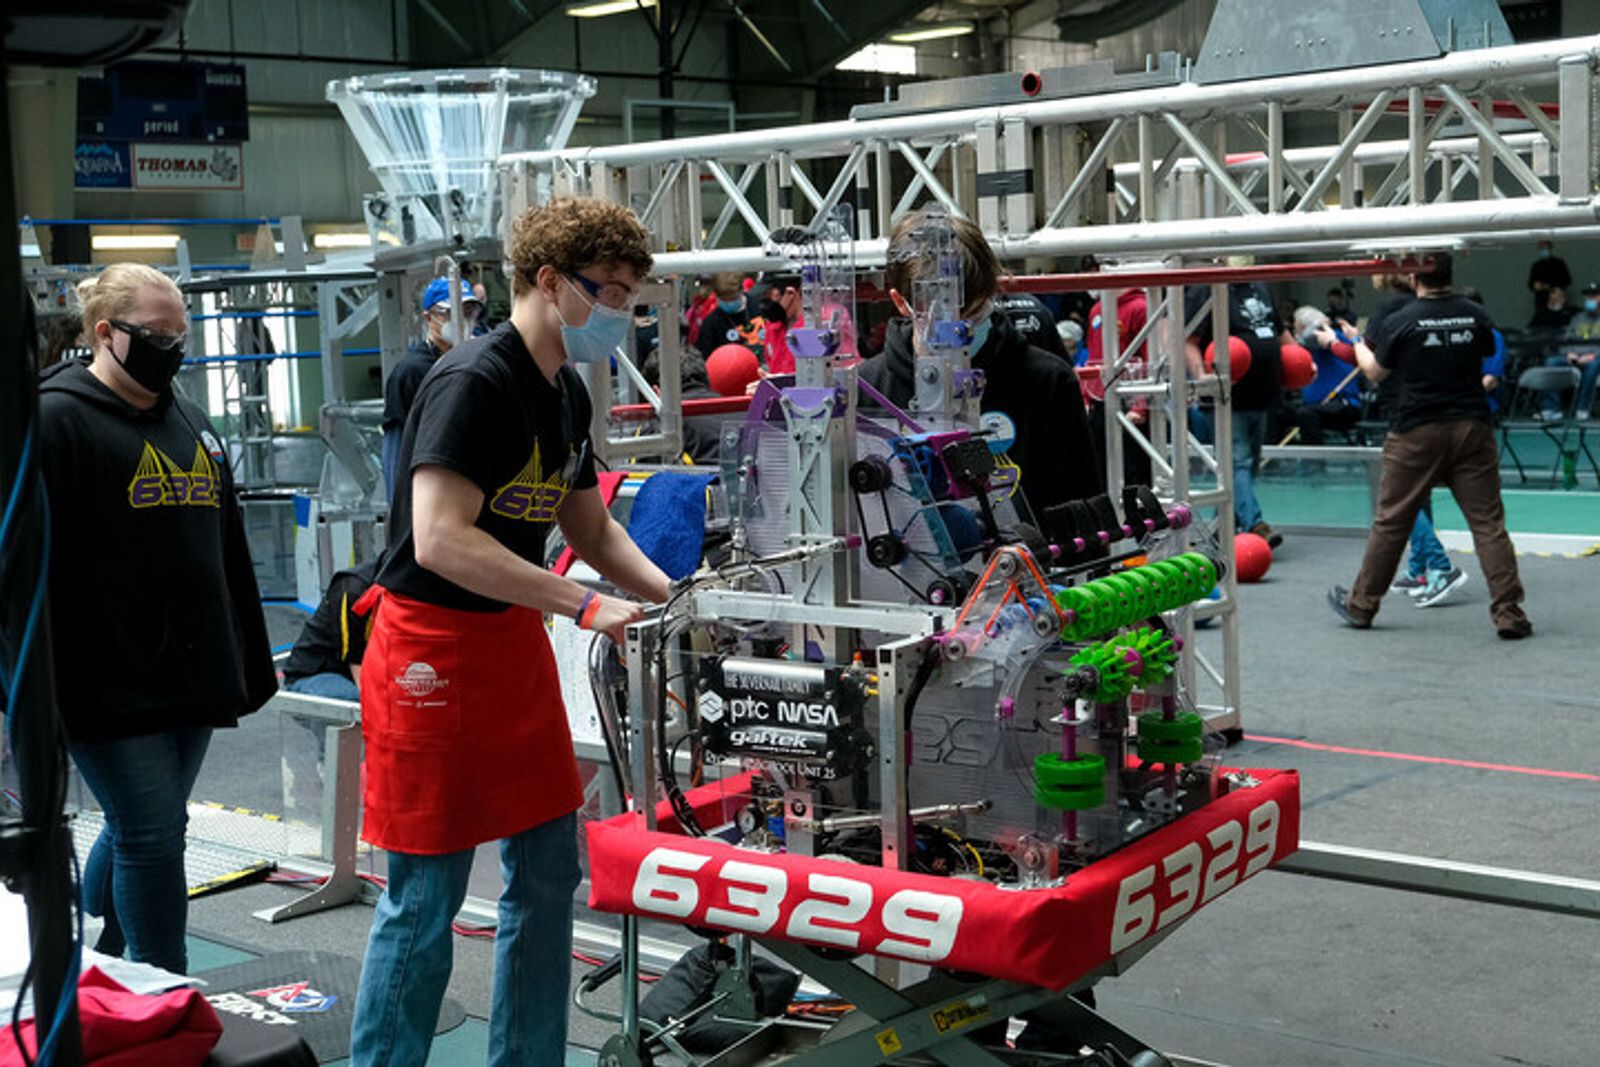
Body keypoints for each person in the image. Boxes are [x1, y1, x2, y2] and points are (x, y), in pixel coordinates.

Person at [349, 197, 673, 1067]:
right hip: (431, 648)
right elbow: (441, 539)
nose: (621, 312)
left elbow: (591, 527)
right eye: (610, 291)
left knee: (547, 869)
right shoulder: (473, 381)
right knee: (427, 892)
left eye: (630, 295)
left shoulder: (565, 391)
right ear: (550, 280)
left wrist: (677, 596)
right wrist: (583, 605)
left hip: (509, 645)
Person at [37, 263, 276, 973]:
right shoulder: (55, 420)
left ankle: (100, 961)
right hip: (107, 676)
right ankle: (165, 983)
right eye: (156, 334)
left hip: (190, 668)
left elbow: (224, 544)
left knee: (147, 822)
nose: (172, 348)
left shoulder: (189, 419)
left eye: (181, 335)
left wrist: (241, 652)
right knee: (150, 831)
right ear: (105, 333)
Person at [1328, 253, 1532, 639]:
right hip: (1471, 425)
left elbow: (1374, 372)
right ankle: (1510, 613)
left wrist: (1356, 342)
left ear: (1413, 275)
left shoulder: (1401, 319)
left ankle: (1362, 605)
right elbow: (1484, 353)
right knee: (1488, 524)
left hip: (1416, 430)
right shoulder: (1475, 314)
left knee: (1392, 521)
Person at [858, 208, 1104, 521]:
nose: (959, 335)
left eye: (973, 315)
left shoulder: (1048, 381)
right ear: (900, 303)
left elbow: (1083, 512)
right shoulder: (867, 391)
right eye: (942, 322)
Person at [1184, 267, 1291, 548]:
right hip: (1227, 397)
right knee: (1237, 464)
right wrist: (1201, 377)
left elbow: (1280, 332)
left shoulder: (1260, 286)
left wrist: (1301, 361)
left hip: (1262, 392)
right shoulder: (1206, 288)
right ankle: (1255, 523)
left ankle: (1221, 527)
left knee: (1247, 466)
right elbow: (1188, 339)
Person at [380, 276, 482, 497]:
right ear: (428, 317)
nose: (460, 320)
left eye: (468, 312)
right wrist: (401, 507)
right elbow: (396, 448)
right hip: (430, 488)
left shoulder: (478, 363)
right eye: (449, 313)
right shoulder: (411, 372)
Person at [1083, 286, 1153, 486]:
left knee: (1135, 471)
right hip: (1100, 399)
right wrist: (1086, 396)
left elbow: (1150, 358)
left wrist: (1140, 405)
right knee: (1100, 467)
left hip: (1129, 399)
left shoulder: (1140, 308)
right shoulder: (1097, 310)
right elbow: (1092, 356)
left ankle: (1138, 507)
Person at [1538, 280, 1600, 421]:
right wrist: (1568, 353)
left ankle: (1583, 408)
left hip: (1595, 358)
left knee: (1593, 365)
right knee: (1551, 362)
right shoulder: (1578, 318)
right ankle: (1550, 408)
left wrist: (1592, 356)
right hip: (1575, 357)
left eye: (1594, 296)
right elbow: (1565, 340)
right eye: (1588, 296)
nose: (1590, 299)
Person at [693, 272, 758, 358]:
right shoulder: (711, 323)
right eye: (724, 298)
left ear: (740, 290)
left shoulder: (756, 309)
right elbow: (706, 356)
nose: (729, 302)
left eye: (732, 297)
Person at [1527, 238, 1572, 314]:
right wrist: (1535, 286)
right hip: (1541, 301)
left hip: (1557, 300)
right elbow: (1530, 285)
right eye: (1541, 248)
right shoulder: (1536, 266)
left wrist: (1548, 286)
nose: (1543, 250)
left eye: (1545, 248)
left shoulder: (1559, 263)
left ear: (1550, 249)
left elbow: (1567, 281)